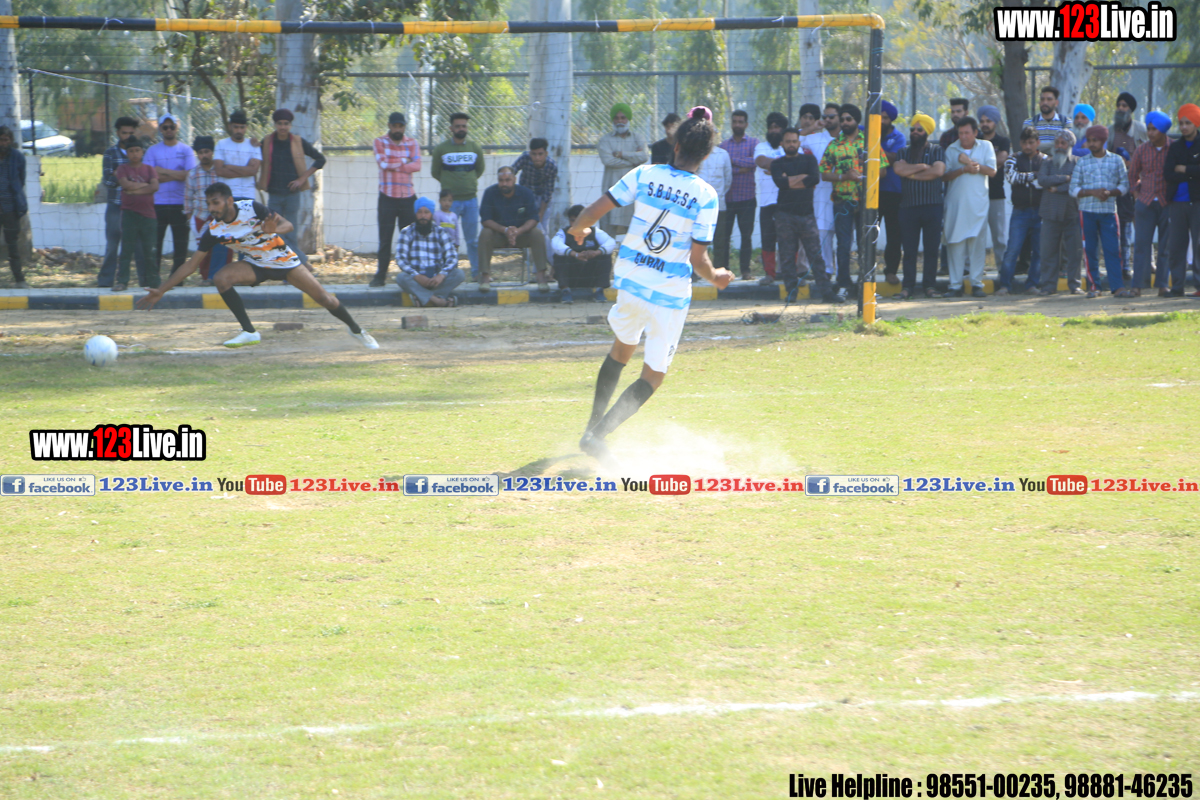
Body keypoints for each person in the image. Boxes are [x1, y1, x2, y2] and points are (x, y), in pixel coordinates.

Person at [567, 108, 732, 465]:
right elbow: (698, 260)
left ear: (675, 145)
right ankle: (597, 436)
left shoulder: (644, 173)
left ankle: (591, 427)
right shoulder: (705, 195)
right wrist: (716, 276)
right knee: (653, 376)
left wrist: (578, 229)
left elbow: (594, 211)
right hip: (668, 297)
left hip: (630, 283)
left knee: (620, 351)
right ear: (706, 156)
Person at [137, 182, 378, 350]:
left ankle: (357, 330)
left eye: (215, 203)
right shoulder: (214, 229)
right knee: (221, 278)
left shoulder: (250, 207)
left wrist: (273, 230)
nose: (211, 208)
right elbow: (191, 265)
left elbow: (288, 225)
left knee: (325, 299)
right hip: (254, 264)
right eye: (208, 203)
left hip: (283, 261)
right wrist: (162, 290)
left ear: (229, 201)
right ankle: (249, 332)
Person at [258, 108, 324, 270]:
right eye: (280, 123)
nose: (283, 127)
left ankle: (296, 268)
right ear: (275, 124)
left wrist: (302, 179)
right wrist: (252, 144)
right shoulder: (266, 141)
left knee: (291, 234)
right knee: (276, 233)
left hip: (293, 195)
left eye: (286, 124)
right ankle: (300, 264)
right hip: (274, 194)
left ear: (290, 125)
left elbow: (320, 159)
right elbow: (253, 155)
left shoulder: (298, 141)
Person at [1069, 124, 1130, 297]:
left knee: (1113, 250)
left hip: (1109, 212)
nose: (1091, 144)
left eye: (1094, 140)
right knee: (1089, 251)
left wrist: (1110, 193)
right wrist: (1092, 192)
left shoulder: (1116, 160)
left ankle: (1117, 287)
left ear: (1103, 140)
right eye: (1089, 140)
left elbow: (1125, 185)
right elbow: (1073, 189)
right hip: (1086, 212)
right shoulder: (1082, 162)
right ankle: (1094, 287)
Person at [771, 127, 830, 303]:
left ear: (799, 142)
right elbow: (780, 183)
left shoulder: (809, 159)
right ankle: (791, 292)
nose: (791, 144)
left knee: (816, 255)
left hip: (806, 215)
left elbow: (814, 179)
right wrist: (802, 178)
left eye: (794, 141)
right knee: (787, 256)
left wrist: (789, 180)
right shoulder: (776, 164)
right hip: (784, 215)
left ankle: (826, 293)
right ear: (782, 143)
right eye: (788, 141)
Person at [891, 113, 945, 299]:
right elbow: (898, 169)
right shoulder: (903, 152)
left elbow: (937, 171)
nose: (915, 132)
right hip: (908, 207)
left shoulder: (937, 150)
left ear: (927, 132)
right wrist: (922, 167)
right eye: (912, 129)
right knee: (909, 251)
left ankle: (930, 286)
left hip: (932, 207)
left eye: (919, 129)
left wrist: (910, 173)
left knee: (931, 250)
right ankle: (907, 287)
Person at [941, 116, 995, 298]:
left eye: (967, 133)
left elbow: (992, 171)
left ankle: (976, 284)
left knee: (977, 246)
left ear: (975, 132)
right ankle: (955, 286)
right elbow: (945, 176)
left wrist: (971, 163)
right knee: (955, 244)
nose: (963, 136)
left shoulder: (986, 146)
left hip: (978, 205)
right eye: (961, 133)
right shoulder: (952, 149)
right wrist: (963, 169)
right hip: (956, 205)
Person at [819, 103, 867, 301]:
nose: (845, 123)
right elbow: (824, 173)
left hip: (866, 202)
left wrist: (863, 176)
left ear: (857, 121)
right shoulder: (834, 145)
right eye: (843, 119)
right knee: (843, 244)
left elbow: (882, 171)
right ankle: (844, 283)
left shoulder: (869, 142)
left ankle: (866, 284)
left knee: (866, 244)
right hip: (842, 201)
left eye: (849, 119)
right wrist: (844, 177)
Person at [431, 112, 485, 280]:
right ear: (451, 128)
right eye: (458, 126)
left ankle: (476, 273)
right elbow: (435, 172)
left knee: (472, 240)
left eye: (464, 126)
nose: (461, 129)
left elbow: (479, 169)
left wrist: (467, 182)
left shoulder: (475, 148)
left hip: (471, 201)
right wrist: (450, 185)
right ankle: (447, 274)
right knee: (446, 240)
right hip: (450, 203)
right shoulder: (441, 149)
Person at [371, 112, 423, 287]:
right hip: (387, 197)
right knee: (385, 239)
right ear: (389, 126)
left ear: (404, 127)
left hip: (408, 197)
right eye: (395, 126)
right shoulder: (379, 142)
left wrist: (395, 163)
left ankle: (412, 276)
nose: (398, 130)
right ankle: (380, 276)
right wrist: (405, 161)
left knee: (410, 238)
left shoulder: (412, 143)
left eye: (401, 126)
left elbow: (417, 165)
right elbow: (383, 164)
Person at [143, 113, 197, 279]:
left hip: (180, 204)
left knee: (180, 246)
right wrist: (177, 174)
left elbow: (189, 175)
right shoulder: (152, 151)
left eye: (172, 126)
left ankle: (177, 280)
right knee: (155, 244)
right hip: (156, 204)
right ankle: (154, 279)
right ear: (160, 129)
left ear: (177, 128)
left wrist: (161, 171)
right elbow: (148, 177)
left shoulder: (186, 150)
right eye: (165, 127)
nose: (168, 130)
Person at [477, 166, 548, 292]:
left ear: (514, 179)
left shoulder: (526, 193)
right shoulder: (490, 193)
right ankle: (485, 276)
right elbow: (485, 220)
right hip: (498, 235)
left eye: (507, 180)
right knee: (485, 233)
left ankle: (541, 276)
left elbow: (534, 218)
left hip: (521, 235)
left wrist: (518, 231)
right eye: (501, 180)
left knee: (537, 234)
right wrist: (505, 230)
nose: (504, 184)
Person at [1128, 110, 1172, 296]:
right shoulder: (1142, 149)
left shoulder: (1174, 148)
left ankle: (1162, 285)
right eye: (1149, 129)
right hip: (1145, 202)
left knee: (1165, 246)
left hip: (1167, 202)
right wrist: (1137, 196)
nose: (1151, 133)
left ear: (1163, 130)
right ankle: (1137, 286)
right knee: (1141, 245)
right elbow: (1132, 175)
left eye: (1155, 129)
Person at [1035, 129, 1084, 295]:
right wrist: (1065, 178)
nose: (1059, 146)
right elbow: (1042, 180)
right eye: (1057, 143)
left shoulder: (1077, 162)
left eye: (1063, 143)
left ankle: (1075, 285)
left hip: (1071, 212)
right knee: (1048, 251)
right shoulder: (1047, 162)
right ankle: (1048, 286)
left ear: (1070, 145)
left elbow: (1077, 183)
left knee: (1074, 251)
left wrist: (1057, 188)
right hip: (1050, 212)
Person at [394, 196, 465, 308]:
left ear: (431, 214)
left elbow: (452, 256)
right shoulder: (406, 232)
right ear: (415, 214)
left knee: (459, 274)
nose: (423, 216)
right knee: (401, 277)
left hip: (437, 280)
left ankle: (424, 299)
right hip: (416, 279)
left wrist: (441, 275)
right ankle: (437, 300)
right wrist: (417, 276)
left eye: (426, 212)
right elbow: (400, 259)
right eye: (419, 212)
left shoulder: (441, 232)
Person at [998, 127, 1044, 295]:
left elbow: (1046, 180)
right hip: (1020, 211)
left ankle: (1032, 284)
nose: (1027, 146)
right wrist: (1034, 176)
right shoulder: (1013, 158)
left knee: (1039, 251)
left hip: (1040, 212)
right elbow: (1011, 177)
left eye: (1031, 142)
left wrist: (1024, 178)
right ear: (1020, 143)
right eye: (1024, 143)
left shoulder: (1046, 160)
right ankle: (1005, 285)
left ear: (1038, 142)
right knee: (1013, 249)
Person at [715, 110, 758, 280]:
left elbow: (754, 162)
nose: (737, 125)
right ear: (731, 123)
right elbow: (722, 168)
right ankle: (724, 270)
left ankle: (745, 271)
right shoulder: (723, 146)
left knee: (746, 237)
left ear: (746, 124)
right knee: (724, 237)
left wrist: (732, 161)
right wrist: (741, 168)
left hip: (747, 198)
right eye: (735, 121)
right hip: (728, 198)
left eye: (741, 122)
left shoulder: (754, 143)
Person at [796, 104, 836, 286]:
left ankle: (842, 274)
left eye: (832, 117)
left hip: (847, 193)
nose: (828, 120)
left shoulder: (847, 139)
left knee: (845, 238)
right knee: (823, 234)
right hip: (821, 195)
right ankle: (827, 271)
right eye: (825, 117)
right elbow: (793, 139)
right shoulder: (815, 138)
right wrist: (812, 127)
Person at [113, 137, 159, 291]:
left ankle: (155, 282)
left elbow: (155, 187)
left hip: (148, 215)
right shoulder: (122, 169)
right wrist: (145, 185)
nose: (134, 154)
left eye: (137, 150)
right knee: (126, 249)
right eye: (131, 151)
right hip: (129, 214)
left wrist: (134, 190)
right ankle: (122, 281)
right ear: (126, 153)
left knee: (150, 250)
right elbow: (125, 184)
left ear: (142, 152)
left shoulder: (149, 169)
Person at [1163, 103, 1200, 298]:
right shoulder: (1175, 147)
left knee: (1198, 245)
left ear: (1196, 123)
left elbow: (1179, 170)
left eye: (1188, 123)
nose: (1184, 127)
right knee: (1176, 246)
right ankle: (1177, 287)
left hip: (1197, 202)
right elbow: (1168, 173)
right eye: (1181, 123)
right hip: (1177, 203)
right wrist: (1193, 171)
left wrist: (1184, 169)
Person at [97, 115, 138, 288]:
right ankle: (105, 281)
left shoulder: (138, 152)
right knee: (112, 245)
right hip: (115, 204)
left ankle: (143, 281)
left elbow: (144, 177)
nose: (127, 136)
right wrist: (127, 177)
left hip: (136, 205)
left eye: (130, 133)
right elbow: (107, 180)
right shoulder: (110, 153)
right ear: (117, 133)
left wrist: (119, 173)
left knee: (139, 246)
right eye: (124, 133)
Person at [596, 103, 647, 236]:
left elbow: (644, 156)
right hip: (612, 188)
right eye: (616, 118)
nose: (620, 121)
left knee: (634, 230)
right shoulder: (605, 140)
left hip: (632, 189)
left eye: (623, 118)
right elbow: (608, 161)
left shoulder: (638, 138)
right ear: (612, 120)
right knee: (608, 232)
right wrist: (633, 160)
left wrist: (622, 154)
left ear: (628, 119)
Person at [552, 203, 616, 304]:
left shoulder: (595, 231)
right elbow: (555, 244)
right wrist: (575, 254)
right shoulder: (563, 233)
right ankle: (565, 290)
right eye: (572, 220)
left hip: (590, 275)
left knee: (605, 255)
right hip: (571, 276)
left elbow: (611, 242)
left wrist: (596, 252)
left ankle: (599, 290)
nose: (576, 224)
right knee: (559, 256)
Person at [753, 111, 789, 286]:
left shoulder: (789, 146)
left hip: (787, 201)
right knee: (768, 239)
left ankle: (789, 273)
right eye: (771, 127)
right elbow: (761, 161)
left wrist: (773, 167)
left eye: (777, 127)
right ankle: (770, 274)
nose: (774, 131)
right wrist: (783, 167)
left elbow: (796, 164)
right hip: (767, 202)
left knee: (788, 239)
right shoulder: (761, 147)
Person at [976, 105, 1010, 276]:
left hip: (996, 195)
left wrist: (979, 166)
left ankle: (1003, 270)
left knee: (999, 237)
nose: (985, 124)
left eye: (988, 121)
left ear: (995, 122)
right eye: (982, 121)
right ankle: (975, 270)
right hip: (976, 195)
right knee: (976, 236)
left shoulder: (1003, 141)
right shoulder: (975, 141)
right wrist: (987, 166)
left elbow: (1001, 160)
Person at [183, 135, 221, 285]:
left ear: (212, 152)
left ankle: (221, 276)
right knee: (203, 249)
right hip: (200, 216)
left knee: (222, 248)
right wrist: (189, 218)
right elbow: (188, 197)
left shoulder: (220, 171)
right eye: (200, 153)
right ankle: (206, 278)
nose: (204, 155)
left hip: (219, 216)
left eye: (207, 151)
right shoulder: (192, 174)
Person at [696, 130, 731, 282]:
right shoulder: (696, 153)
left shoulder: (723, 154)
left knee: (720, 241)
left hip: (719, 205)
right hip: (698, 206)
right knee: (696, 240)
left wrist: (717, 196)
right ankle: (695, 273)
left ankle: (719, 272)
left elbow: (728, 180)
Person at [878, 100, 906, 286]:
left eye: (885, 118)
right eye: (878, 117)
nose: (881, 121)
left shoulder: (898, 137)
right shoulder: (865, 132)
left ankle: (891, 271)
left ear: (891, 120)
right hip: (871, 192)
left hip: (894, 192)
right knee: (868, 233)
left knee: (894, 234)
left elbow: (894, 158)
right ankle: (866, 270)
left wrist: (873, 148)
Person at [510, 137, 558, 235]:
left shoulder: (551, 166)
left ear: (546, 154)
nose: (537, 158)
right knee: (527, 226)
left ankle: (544, 245)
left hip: (543, 198)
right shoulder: (524, 158)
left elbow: (548, 192)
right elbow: (511, 172)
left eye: (540, 154)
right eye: (534, 154)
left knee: (542, 228)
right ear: (530, 153)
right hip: (525, 197)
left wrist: (541, 213)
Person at [213, 109, 260, 201]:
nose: (239, 130)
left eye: (242, 127)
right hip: (226, 194)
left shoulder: (254, 145)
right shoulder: (221, 144)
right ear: (230, 126)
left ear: (246, 127)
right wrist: (245, 170)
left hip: (248, 194)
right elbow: (219, 171)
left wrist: (229, 167)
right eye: (236, 127)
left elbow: (253, 171)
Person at [0, 126, 26, 288]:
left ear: (10, 141)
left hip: (10, 209)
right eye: (0, 140)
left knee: (13, 246)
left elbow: (20, 181)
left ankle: (19, 280)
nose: (2, 143)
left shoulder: (17, 157)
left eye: (6, 140)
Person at [1023, 86, 1069, 154]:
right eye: (1042, 99)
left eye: (1049, 99)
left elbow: (1067, 144)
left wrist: (1038, 145)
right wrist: (1056, 143)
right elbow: (1029, 146)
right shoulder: (1029, 123)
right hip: (1036, 160)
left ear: (1056, 103)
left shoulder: (1066, 122)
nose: (1045, 102)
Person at [434, 189, 462, 255]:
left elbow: (456, 230)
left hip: (452, 243)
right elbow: (436, 229)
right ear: (440, 201)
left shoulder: (454, 215)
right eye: (444, 200)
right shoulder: (437, 214)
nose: (447, 203)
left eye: (449, 200)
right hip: (441, 243)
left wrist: (457, 243)